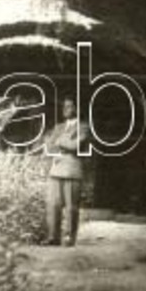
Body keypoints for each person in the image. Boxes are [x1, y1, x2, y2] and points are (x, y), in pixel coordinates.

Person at [43, 97, 88, 246]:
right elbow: (49, 146)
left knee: (71, 206)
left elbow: (75, 146)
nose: (65, 109)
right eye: (64, 106)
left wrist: (60, 142)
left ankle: (69, 237)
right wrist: (63, 142)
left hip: (72, 170)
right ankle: (53, 237)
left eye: (69, 106)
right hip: (56, 169)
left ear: (78, 109)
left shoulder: (84, 127)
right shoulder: (59, 126)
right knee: (53, 204)